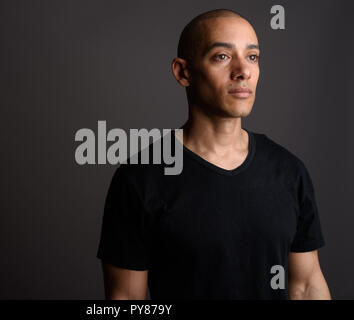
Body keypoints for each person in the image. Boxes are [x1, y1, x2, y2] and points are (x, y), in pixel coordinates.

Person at [96, 9, 331, 300]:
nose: (243, 71)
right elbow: (126, 300)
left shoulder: (289, 171)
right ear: (184, 72)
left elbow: (306, 285)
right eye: (222, 56)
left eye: (252, 57)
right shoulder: (140, 179)